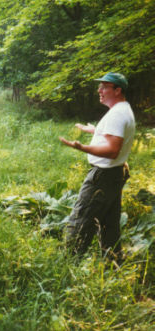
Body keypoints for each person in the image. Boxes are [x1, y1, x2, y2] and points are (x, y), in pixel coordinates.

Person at [59, 72, 135, 261]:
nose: (99, 90)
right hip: (114, 174)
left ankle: (67, 266)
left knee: (82, 219)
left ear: (118, 90)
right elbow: (115, 136)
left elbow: (112, 150)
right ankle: (113, 263)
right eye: (99, 86)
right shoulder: (123, 109)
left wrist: (81, 147)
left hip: (103, 177)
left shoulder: (117, 114)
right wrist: (96, 130)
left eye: (104, 87)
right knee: (109, 223)